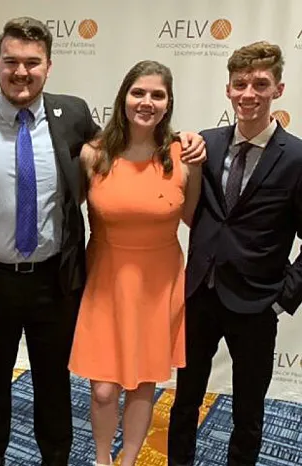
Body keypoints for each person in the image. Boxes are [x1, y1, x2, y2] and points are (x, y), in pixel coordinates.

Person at [0, 17, 205, 466]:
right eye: (11, 62)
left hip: (54, 279)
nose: (21, 72)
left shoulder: (74, 116)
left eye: (32, 62)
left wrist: (186, 140)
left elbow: (128, 155)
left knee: (52, 382)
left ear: (48, 66)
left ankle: (56, 458)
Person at [168, 41, 302, 466]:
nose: (249, 93)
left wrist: (283, 298)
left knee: (248, 409)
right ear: (228, 89)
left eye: (260, 84)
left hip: (257, 304)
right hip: (200, 297)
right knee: (184, 400)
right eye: (240, 84)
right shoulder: (205, 144)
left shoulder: (297, 157)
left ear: (278, 89)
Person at [68, 60, 201, 466]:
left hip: (159, 284)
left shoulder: (185, 156)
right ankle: (102, 459)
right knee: (104, 390)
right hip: (105, 282)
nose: (146, 102)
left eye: (157, 95)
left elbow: (192, 218)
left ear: (168, 103)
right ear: (123, 97)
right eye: (138, 92)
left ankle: (128, 461)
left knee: (143, 386)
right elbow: (65, 218)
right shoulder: (94, 155)